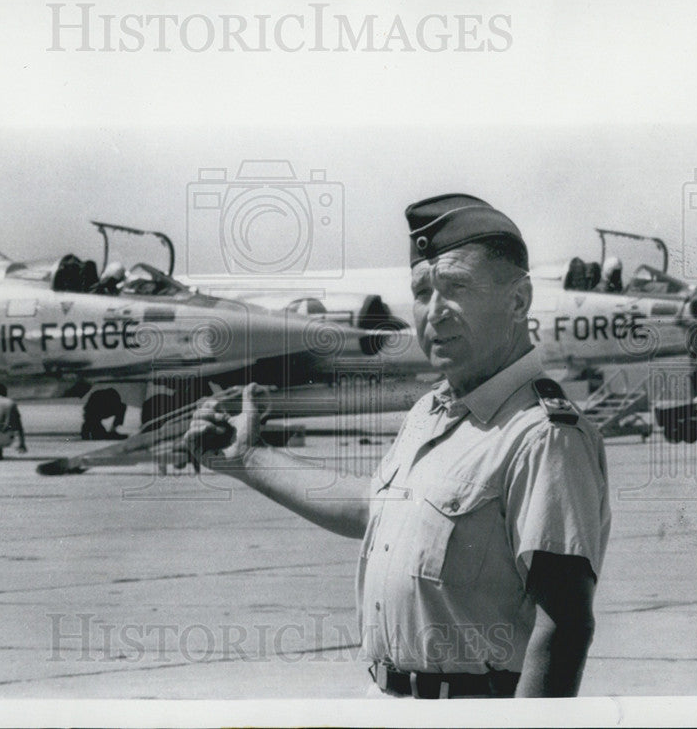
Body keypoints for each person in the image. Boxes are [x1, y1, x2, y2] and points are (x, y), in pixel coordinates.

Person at [180, 194, 611, 699]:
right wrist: (246, 457)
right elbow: (374, 508)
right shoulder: (432, 411)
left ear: (518, 301)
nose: (435, 311)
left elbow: (564, 623)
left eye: (457, 287)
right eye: (423, 291)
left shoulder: (543, 435)